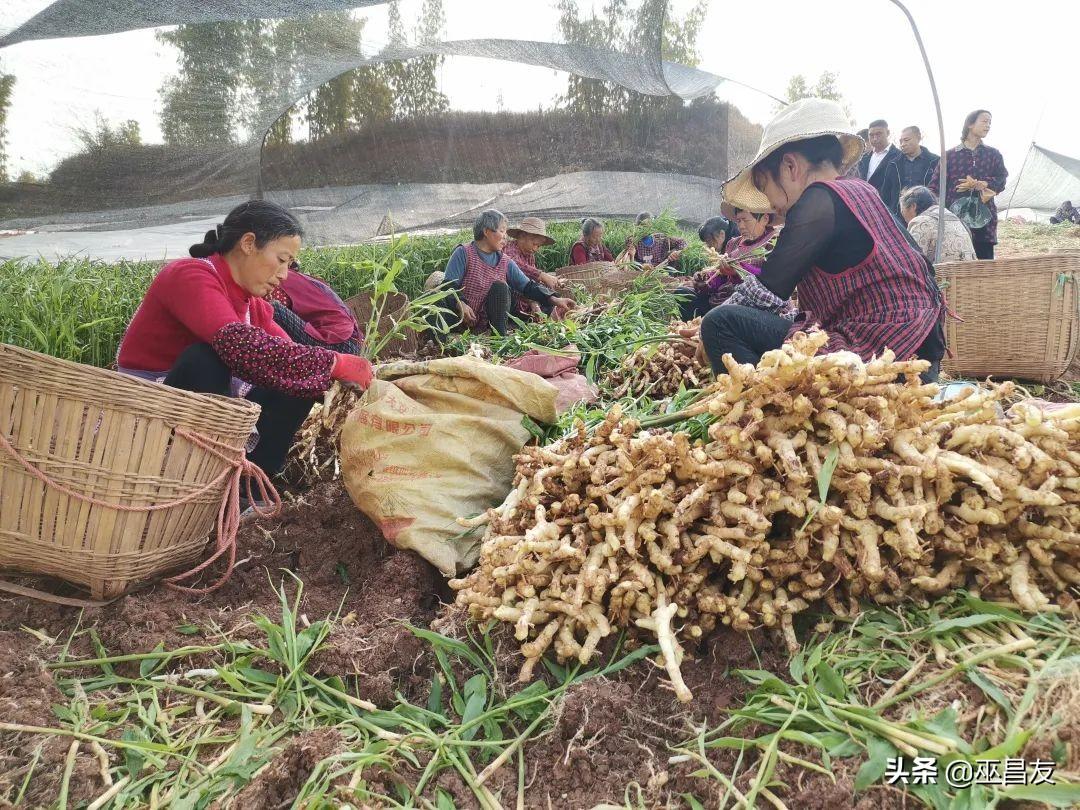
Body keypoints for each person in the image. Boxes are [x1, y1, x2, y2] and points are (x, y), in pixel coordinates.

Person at [695, 98, 946, 382]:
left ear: (790, 167)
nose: (770, 204)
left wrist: (704, 326)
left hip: (882, 350)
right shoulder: (862, 193)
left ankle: (761, 410)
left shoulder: (819, 198)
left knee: (721, 324)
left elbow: (768, 290)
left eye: (765, 187)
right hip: (916, 350)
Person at [116, 201, 373, 477]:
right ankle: (202, 477)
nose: (285, 275)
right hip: (150, 408)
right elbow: (237, 343)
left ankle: (248, 489)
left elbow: (291, 353)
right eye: (282, 260)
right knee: (206, 359)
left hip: (209, 411)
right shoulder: (189, 275)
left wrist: (355, 383)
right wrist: (333, 361)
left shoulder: (254, 305)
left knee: (299, 381)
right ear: (249, 243)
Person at [438, 209, 575, 335]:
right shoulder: (463, 253)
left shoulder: (505, 261)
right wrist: (460, 304)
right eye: (502, 231)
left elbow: (527, 286)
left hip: (485, 322)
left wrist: (555, 299)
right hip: (460, 318)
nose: (505, 237)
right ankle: (438, 344)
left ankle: (499, 336)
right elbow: (449, 285)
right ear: (487, 232)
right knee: (433, 299)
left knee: (501, 287)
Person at [675, 212, 784, 321]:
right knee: (683, 293)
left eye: (745, 220)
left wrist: (738, 272)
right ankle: (695, 331)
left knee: (724, 312)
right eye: (738, 221)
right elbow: (722, 278)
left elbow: (772, 280)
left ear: (764, 219)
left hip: (749, 306)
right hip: (720, 301)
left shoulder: (774, 242)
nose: (741, 226)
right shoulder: (734, 243)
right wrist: (706, 282)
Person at [929, 110, 1008, 260]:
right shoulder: (950, 156)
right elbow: (935, 186)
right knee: (957, 263)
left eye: (990, 122)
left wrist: (984, 184)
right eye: (984, 121)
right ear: (970, 124)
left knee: (984, 267)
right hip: (954, 220)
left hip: (984, 219)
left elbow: (1002, 179)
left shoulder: (993, 154)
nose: (988, 125)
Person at [268, 262, 362, 354]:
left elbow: (267, 315)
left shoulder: (278, 279)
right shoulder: (298, 277)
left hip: (341, 343)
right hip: (348, 338)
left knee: (271, 308)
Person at [502, 217, 564, 318]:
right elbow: (517, 270)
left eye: (538, 246)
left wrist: (535, 300)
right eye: (534, 244)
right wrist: (542, 275)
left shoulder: (530, 255)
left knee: (552, 304)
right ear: (522, 236)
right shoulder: (509, 250)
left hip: (527, 299)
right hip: (511, 302)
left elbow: (533, 283)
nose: (535, 249)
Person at [899, 185, 977, 263]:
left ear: (913, 206)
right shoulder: (953, 217)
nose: (904, 218)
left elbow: (913, 260)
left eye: (902, 211)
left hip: (945, 273)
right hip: (969, 272)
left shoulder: (921, 222)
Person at [857, 119, 904, 214]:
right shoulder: (864, 158)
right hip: (864, 209)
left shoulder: (899, 157)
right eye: (871, 135)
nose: (875, 138)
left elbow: (897, 188)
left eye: (879, 134)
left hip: (887, 210)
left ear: (887, 133)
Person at [896, 126, 939, 192]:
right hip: (899, 202)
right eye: (901, 141)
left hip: (927, 202)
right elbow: (887, 191)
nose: (902, 144)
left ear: (918, 138)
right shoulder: (894, 163)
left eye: (906, 140)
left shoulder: (935, 161)